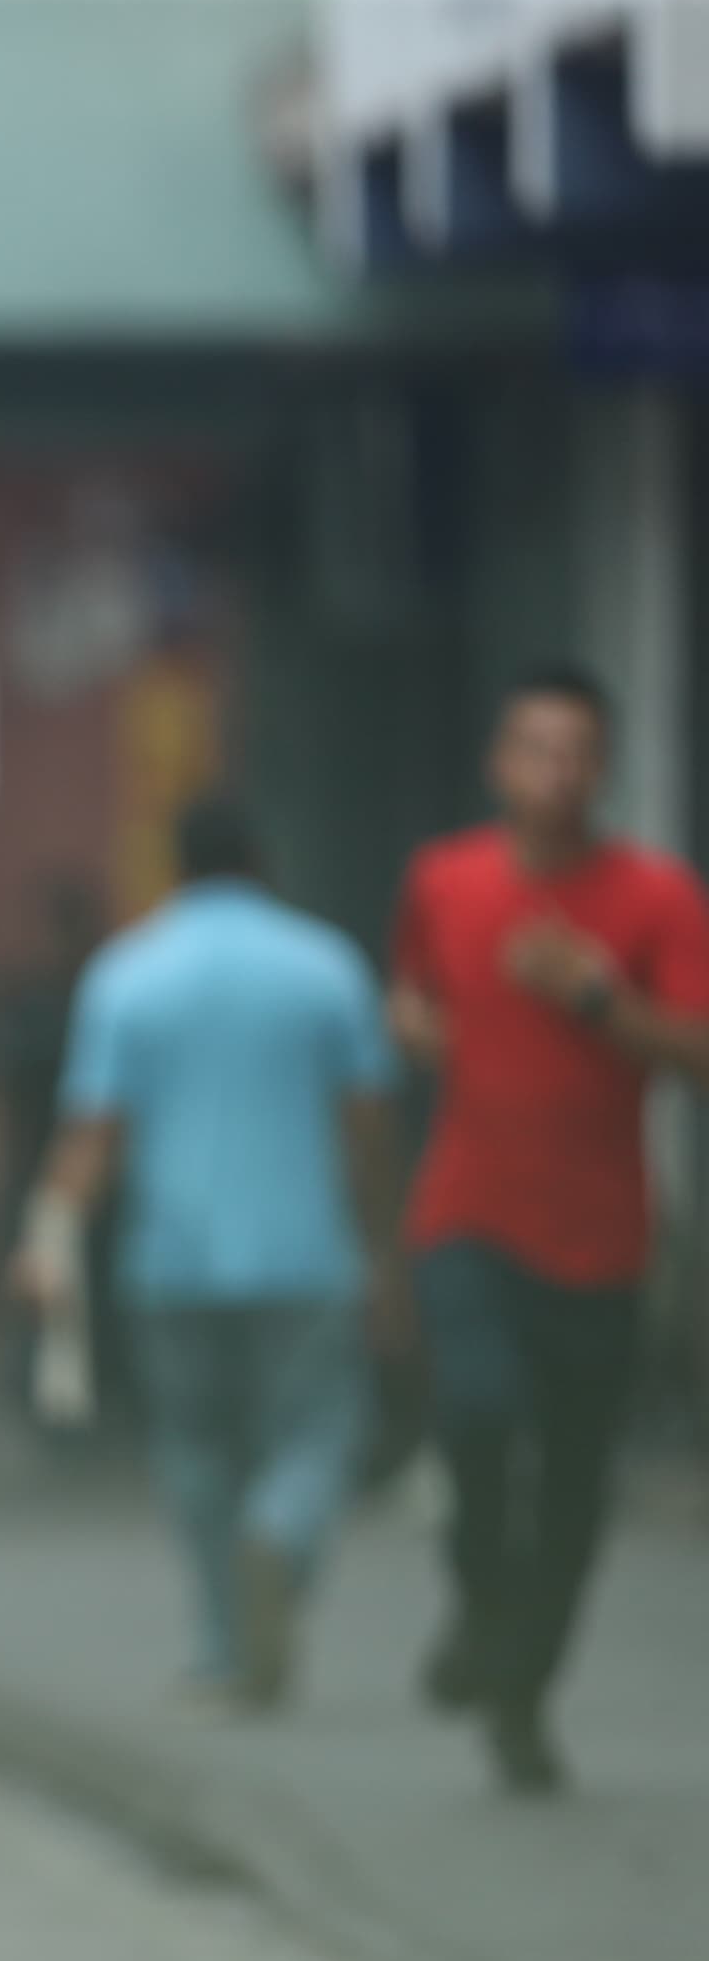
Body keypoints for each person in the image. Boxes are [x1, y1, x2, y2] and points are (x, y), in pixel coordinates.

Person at [385, 664, 709, 1791]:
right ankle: (479, 1607)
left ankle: (521, 1694)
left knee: (573, 1487)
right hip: (467, 1208)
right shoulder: (444, 880)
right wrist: (418, 1027)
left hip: (602, 1236)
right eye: (532, 747)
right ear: (496, 764)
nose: (553, 771)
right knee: (475, 1410)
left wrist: (593, 1000)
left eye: (575, 751)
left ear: (603, 770)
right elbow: (411, 992)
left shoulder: (655, 898)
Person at [11, 801, 401, 1709]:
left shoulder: (127, 977)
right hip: (307, 1256)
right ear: (264, 860)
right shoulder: (327, 967)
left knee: (196, 1451)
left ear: (174, 867)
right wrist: (384, 1244)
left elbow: (92, 1135)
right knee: (316, 1433)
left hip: (173, 1262)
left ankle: (225, 1644)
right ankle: (282, 1532)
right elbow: (368, 1126)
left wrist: (45, 1240)